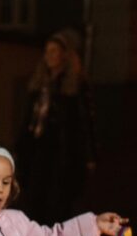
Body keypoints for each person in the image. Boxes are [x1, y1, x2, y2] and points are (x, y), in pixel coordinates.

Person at [17, 29, 96, 224]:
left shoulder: (74, 85)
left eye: (54, 51)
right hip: (37, 148)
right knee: (33, 197)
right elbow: (29, 117)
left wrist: (89, 155)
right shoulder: (40, 83)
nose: (49, 56)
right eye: (47, 51)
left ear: (65, 55)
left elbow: (85, 121)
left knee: (57, 201)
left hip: (61, 152)